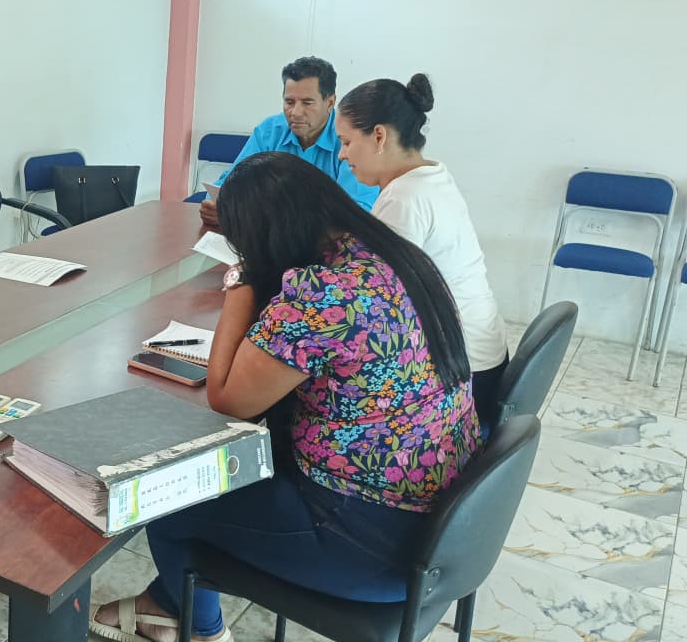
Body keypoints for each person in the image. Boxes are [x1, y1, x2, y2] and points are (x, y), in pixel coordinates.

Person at [91, 153, 480, 642]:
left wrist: (242, 280)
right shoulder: (397, 256)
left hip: (371, 541)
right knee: (233, 462)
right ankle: (168, 603)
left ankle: (200, 628)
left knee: (172, 496)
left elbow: (228, 398)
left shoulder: (323, 294)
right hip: (444, 522)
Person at [335, 73, 508, 430]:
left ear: (379, 136)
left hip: (463, 376)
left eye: (347, 142)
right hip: (483, 354)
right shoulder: (432, 174)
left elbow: (375, 304)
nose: (342, 154)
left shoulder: (404, 197)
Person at [199, 57, 379, 229]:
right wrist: (217, 206)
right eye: (289, 102)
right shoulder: (269, 132)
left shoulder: (351, 139)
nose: (296, 112)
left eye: (307, 103)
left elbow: (357, 211)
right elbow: (231, 183)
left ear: (330, 102)